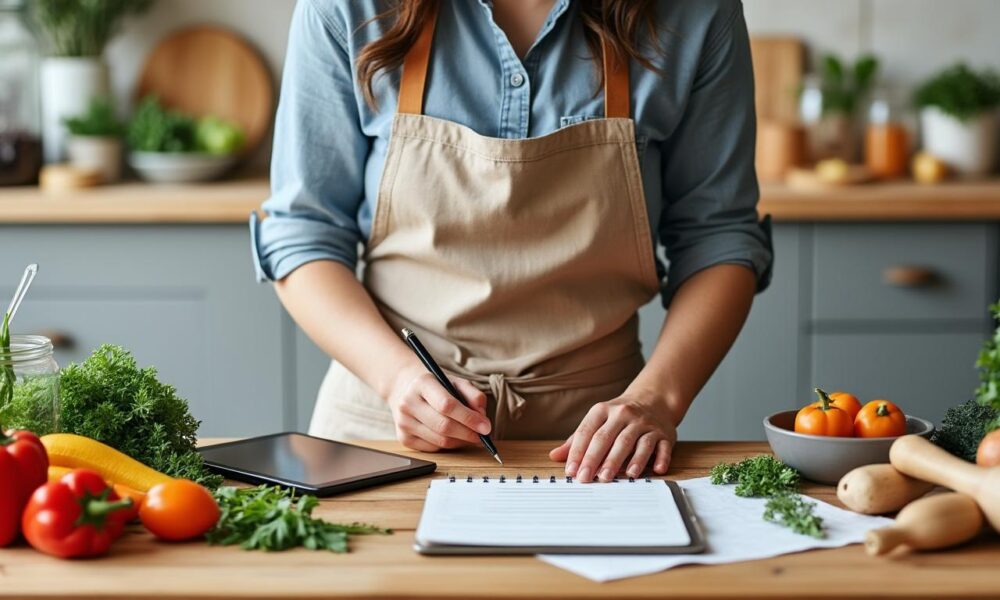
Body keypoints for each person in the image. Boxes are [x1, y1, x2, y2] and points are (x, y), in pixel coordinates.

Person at [251, 0, 772, 483]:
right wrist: (396, 379)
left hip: (599, 443)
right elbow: (304, 234)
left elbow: (718, 239)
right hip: (385, 422)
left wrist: (656, 399)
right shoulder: (349, 7)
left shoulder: (695, 13)